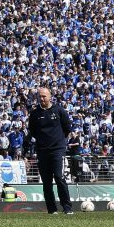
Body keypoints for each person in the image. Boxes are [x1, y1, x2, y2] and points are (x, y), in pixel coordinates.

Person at [27, 87, 73, 215]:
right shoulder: (35, 114)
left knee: (59, 177)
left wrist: (58, 141)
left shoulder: (59, 111)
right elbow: (33, 131)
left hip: (57, 150)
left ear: (50, 97)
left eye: (44, 96)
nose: (42, 99)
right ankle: (52, 209)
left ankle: (67, 207)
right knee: (46, 181)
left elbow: (67, 129)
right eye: (40, 96)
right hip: (42, 151)